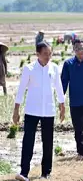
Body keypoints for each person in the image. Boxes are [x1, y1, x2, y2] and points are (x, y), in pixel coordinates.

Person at [13, 41, 65, 181]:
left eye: (50, 53)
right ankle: (24, 172)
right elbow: (21, 89)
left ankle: (45, 173)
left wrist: (62, 105)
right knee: (28, 141)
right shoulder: (29, 69)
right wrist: (16, 109)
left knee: (48, 142)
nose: (48, 56)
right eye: (45, 54)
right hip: (31, 110)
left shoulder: (54, 68)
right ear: (37, 54)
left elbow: (59, 87)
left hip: (48, 110)